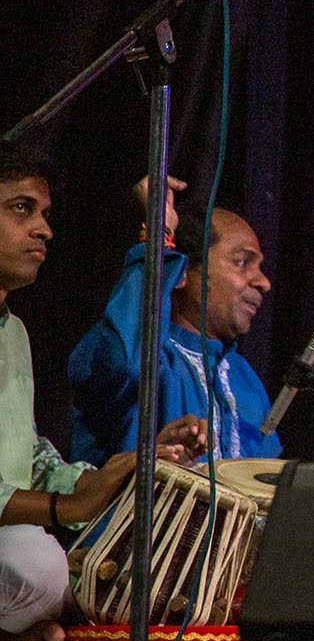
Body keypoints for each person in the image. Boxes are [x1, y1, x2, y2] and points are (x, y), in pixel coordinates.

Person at [2, 144, 208, 641]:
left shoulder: (13, 333)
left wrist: (110, 475)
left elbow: (26, 455)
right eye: (21, 208)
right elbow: (122, 358)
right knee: (33, 561)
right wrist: (67, 508)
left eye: (45, 214)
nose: (45, 230)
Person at [67, 180, 279, 469]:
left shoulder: (244, 379)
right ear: (182, 273)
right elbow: (125, 363)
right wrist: (159, 235)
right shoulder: (141, 355)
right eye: (243, 262)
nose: (264, 282)